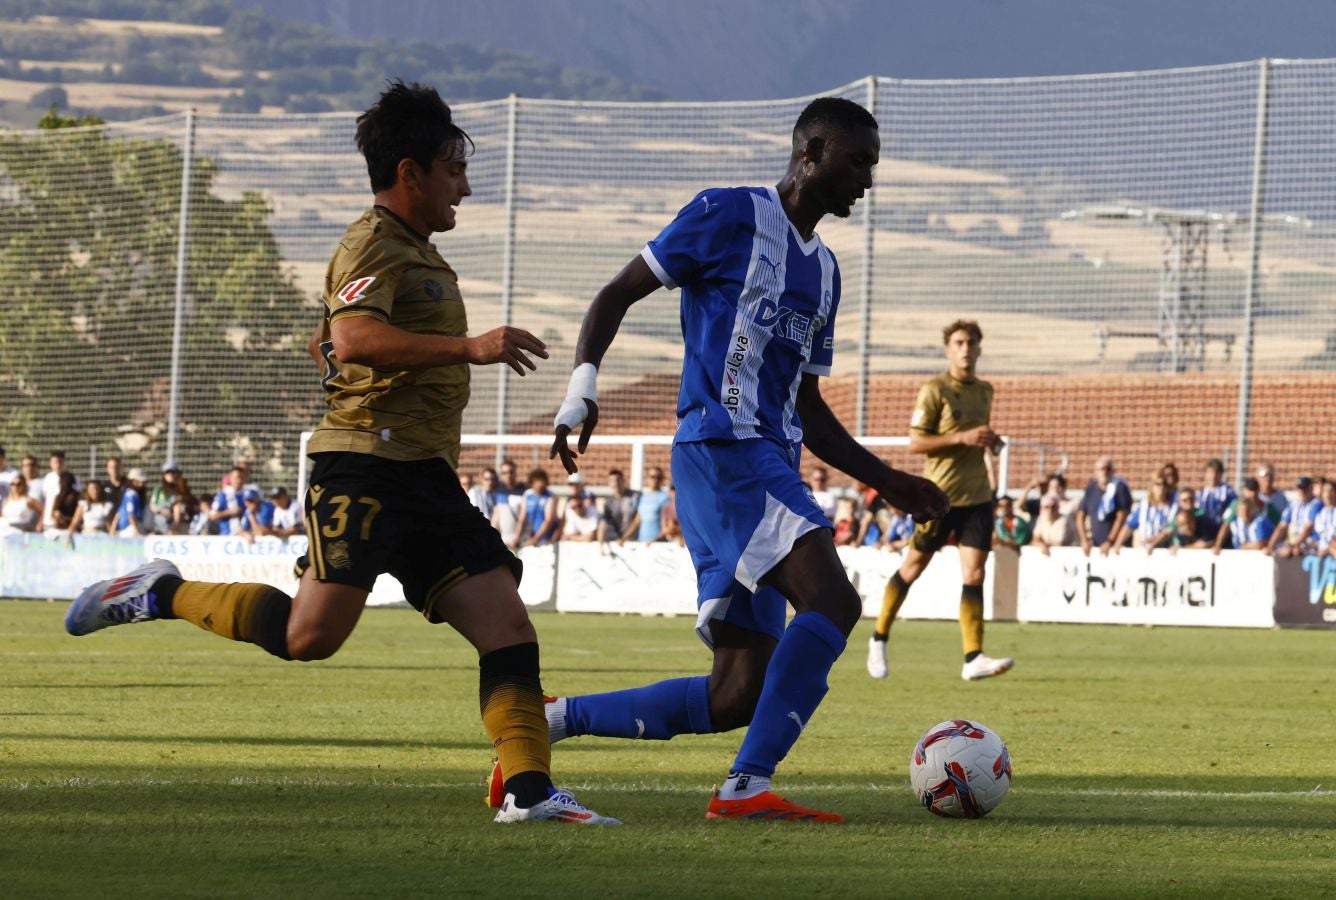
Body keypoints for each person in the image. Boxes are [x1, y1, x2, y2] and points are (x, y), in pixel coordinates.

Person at [66, 80, 615, 826]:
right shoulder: (372, 242)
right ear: (410, 172)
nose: (466, 185)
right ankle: (159, 592)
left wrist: (344, 347)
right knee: (310, 637)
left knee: (508, 628)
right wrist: (470, 347)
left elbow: (335, 340)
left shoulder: (410, 251)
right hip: (364, 466)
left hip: (423, 474)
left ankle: (528, 793)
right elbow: (354, 338)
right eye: (454, 169)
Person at [544, 97, 947, 822]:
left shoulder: (823, 272)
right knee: (834, 601)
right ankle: (744, 788)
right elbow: (618, 291)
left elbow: (809, 407)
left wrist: (887, 480)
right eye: (858, 161)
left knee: (737, 693)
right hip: (724, 454)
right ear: (812, 150)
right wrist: (582, 387)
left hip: (768, 464)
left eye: (874, 166)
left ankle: (547, 720)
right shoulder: (727, 213)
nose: (867, 180)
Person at [869, 319, 1012, 683]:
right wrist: (963, 438)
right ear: (948, 349)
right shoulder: (934, 390)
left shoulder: (985, 390)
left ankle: (973, 656)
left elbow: (973, 438)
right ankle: (879, 637)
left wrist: (987, 442)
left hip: (978, 496)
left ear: (980, 348)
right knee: (913, 567)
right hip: (940, 496)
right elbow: (916, 443)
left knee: (975, 572)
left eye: (972, 342)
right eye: (959, 342)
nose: (966, 348)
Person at [1074, 456, 1132, 556]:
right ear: (1095, 471)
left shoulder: (1120, 489)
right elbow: (1080, 515)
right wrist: (1084, 540)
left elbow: (1121, 517)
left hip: (1116, 547)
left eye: (1108, 468)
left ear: (1112, 471)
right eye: (1101, 469)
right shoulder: (1091, 489)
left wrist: (1110, 541)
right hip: (1096, 544)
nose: (1104, 472)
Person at [1268, 475, 1323, 557]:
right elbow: (1282, 526)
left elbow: (1309, 527)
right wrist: (1270, 545)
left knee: (1296, 551)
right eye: (1299, 489)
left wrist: (1294, 545)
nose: (1302, 492)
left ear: (1310, 489)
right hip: (1296, 541)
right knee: (1278, 550)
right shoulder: (1293, 504)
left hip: (1311, 542)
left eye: (1304, 489)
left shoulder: (1316, 504)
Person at [1116, 476, 1174, 552]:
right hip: (1145, 551)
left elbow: (1171, 529)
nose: (1161, 487)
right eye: (1158, 484)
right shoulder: (1144, 507)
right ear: (1152, 487)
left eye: (1164, 484)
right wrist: (1118, 543)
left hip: (1164, 551)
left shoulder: (1172, 507)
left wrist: (1153, 541)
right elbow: (1129, 525)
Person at [622, 465, 670, 542]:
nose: (656, 480)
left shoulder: (665, 498)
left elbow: (669, 523)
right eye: (652, 477)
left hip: (659, 543)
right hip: (643, 541)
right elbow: (637, 521)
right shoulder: (643, 497)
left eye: (658, 477)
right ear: (647, 479)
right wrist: (624, 538)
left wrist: (657, 539)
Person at [516, 468, 560, 547]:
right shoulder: (527, 494)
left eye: (542, 481)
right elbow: (522, 517)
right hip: (530, 535)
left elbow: (549, 520)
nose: (540, 484)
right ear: (532, 483)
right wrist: (517, 536)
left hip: (546, 538)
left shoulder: (550, 497)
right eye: (537, 481)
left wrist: (536, 538)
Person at [1196, 458, 1235, 542]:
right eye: (1210, 472)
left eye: (1216, 473)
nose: (1213, 476)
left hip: (1223, 536)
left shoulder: (1228, 492)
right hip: (1204, 535)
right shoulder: (1201, 493)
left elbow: (1232, 512)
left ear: (1221, 474)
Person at [596, 469, 638, 544]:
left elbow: (637, 519)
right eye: (612, 480)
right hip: (617, 541)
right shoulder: (609, 503)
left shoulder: (635, 497)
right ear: (609, 483)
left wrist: (625, 538)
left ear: (623, 481)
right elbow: (603, 524)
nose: (615, 483)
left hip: (635, 541)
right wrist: (600, 545)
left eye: (618, 480)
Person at [151, 462, 189, 535]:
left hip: (175, 527)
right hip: (158, 526)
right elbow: (152, 505)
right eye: (168, 472)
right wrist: (161, 510)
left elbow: (179, 509)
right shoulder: (158, 490)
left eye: (173, 472)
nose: (171, 475)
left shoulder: (182, 489)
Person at [112, 468, 150, 537]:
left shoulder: (128, 493)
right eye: (139, 481)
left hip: (129, 528)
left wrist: (112, 532)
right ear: (133, 481)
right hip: (130, 529)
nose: (142, 484)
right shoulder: (131, 495)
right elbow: (131, 516)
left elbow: (118, 514)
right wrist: (138, 533)